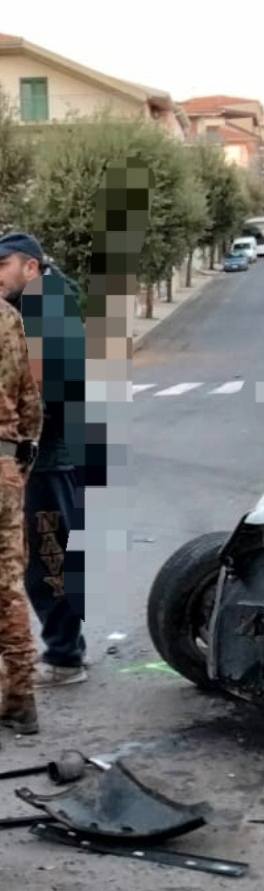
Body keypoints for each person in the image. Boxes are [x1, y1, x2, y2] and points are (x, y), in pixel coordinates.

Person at [0, 233, 88, 688]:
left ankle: (64, 657)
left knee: (47, 560)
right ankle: (66, 647)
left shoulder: (45, 307)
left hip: (48, 455)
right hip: (55, 452)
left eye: (3, 265)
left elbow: (49, 391)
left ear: (29, 267)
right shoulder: (48, 300)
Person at [0, 255, 44, 738]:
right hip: (5, 467)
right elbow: (32, 402)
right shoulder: (8, 317)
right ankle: (20, 699)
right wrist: (19, 460)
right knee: (9, 584)